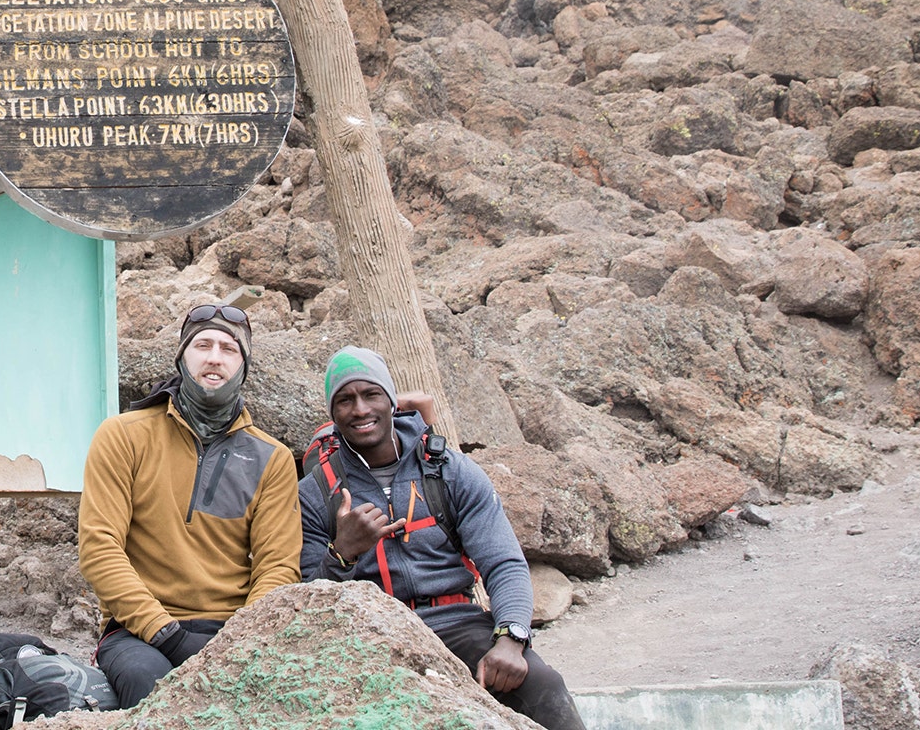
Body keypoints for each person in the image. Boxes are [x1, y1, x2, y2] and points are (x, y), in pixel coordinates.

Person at [298, 347, 586, 730]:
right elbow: (303, 602)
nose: (360, 410)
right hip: (366, 635)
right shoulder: (315, 492)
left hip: (457, 623)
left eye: (371, 395)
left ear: (390, 401)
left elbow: (504, 563)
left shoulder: (449, 470)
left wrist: (511, 639)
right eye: (345, 400)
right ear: (332, 415)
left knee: (543, 685)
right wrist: (343, 553)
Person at [77, 302, 303, 707]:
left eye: (229, 349)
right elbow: (99, 549)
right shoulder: (123, 436)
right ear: (182, 357)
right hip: (138, 631)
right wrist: (167, 633)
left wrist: (243, 639)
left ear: (244, 366)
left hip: (234, 630)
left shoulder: (273, 458)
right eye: (203, 345)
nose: (215, 358)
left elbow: (278, 566)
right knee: (151, 684)